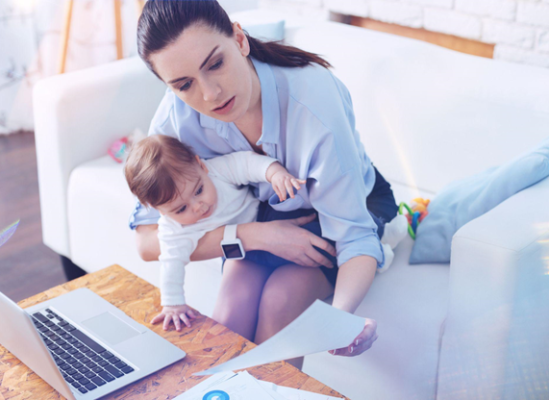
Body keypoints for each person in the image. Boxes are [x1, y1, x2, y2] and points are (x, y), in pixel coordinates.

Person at [131, 0, 404, 368]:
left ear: (239, 39)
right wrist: (255, 236)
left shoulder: (315, 104)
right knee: (232, 305)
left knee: (280, 300)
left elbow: (354, 235)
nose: (209, 94)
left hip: (342, 204)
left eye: (216, 63)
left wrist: (338, 320)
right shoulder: (176, 119)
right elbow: (150, 242)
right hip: (261, 213)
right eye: (184, 85)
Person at [125, 134, 307, 330]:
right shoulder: (173, 229)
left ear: (200, 166)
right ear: (159, 210)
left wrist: (274, 173)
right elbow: (171, 265)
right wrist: (173, 304)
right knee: (232, 317)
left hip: (266, 214)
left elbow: (245, 163)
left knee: (301, 224)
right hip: (244, 252)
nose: (198, 206)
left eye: (199, 191)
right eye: (181, 209)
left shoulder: (215, 171)